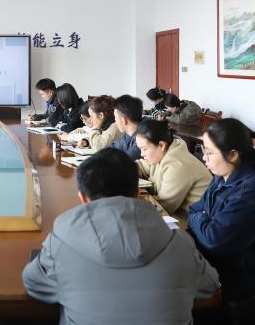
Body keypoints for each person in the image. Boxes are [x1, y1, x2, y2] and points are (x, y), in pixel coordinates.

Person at [22, 148, 219, 325]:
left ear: (82, 197)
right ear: (137, 193)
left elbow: (34, 283)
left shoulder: (60, 245)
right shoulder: (181, 244)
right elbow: (210, 285)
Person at [188, 118, 255, 302]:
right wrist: (202, 219)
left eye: (210, 152)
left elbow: (214, 239)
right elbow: (193, 209)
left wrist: (200, 218)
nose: (204, 157)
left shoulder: (250, 190)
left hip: (253, 280)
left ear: (233, 155)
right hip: (229, 263)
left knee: (183, 293)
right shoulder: (221, 177)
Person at [135, 120, 211, 219]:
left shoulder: (178, 165)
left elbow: (164, 206)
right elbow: (141, 166)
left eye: (144, 149)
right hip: (177, 214)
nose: (142, 154)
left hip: (190, 221)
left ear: (161, 145)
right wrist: (121, 169)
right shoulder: (161, 154)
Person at [111, 94, 147, 160]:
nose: (115, 121)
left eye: (115, 117)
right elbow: (113, 148)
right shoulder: (129, 134)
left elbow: (124, 161)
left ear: (123, 120)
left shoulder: (143, 138)